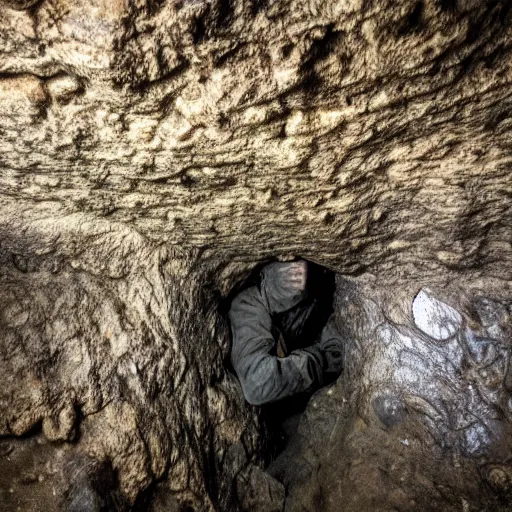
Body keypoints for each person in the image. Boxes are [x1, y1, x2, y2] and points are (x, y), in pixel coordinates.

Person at [229, 260, 344, 406]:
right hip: (290, 400)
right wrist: (318, 359)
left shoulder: (317, 290)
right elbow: (257, 385)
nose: (297, 274)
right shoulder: (247, 306)